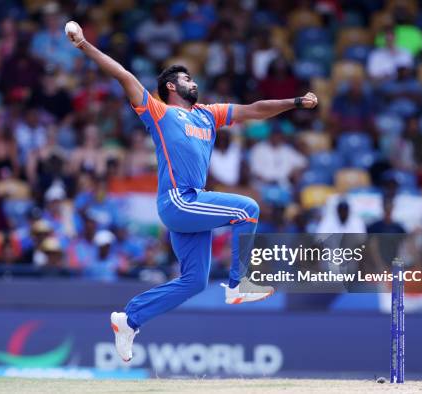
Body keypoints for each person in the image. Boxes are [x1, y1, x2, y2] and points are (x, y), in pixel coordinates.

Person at [65, 20, 318, 362]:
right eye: (186, 78)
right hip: (179, 201)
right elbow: (124, 75)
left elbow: (255, 110)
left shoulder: (208, 115)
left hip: (189, 206)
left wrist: (296, 102)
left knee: (195, 281)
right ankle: (238, 283)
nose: (193, 81)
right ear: (171, 86)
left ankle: (129, 319)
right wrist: (84, 46)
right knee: (248, 208)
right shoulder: (159, 111)